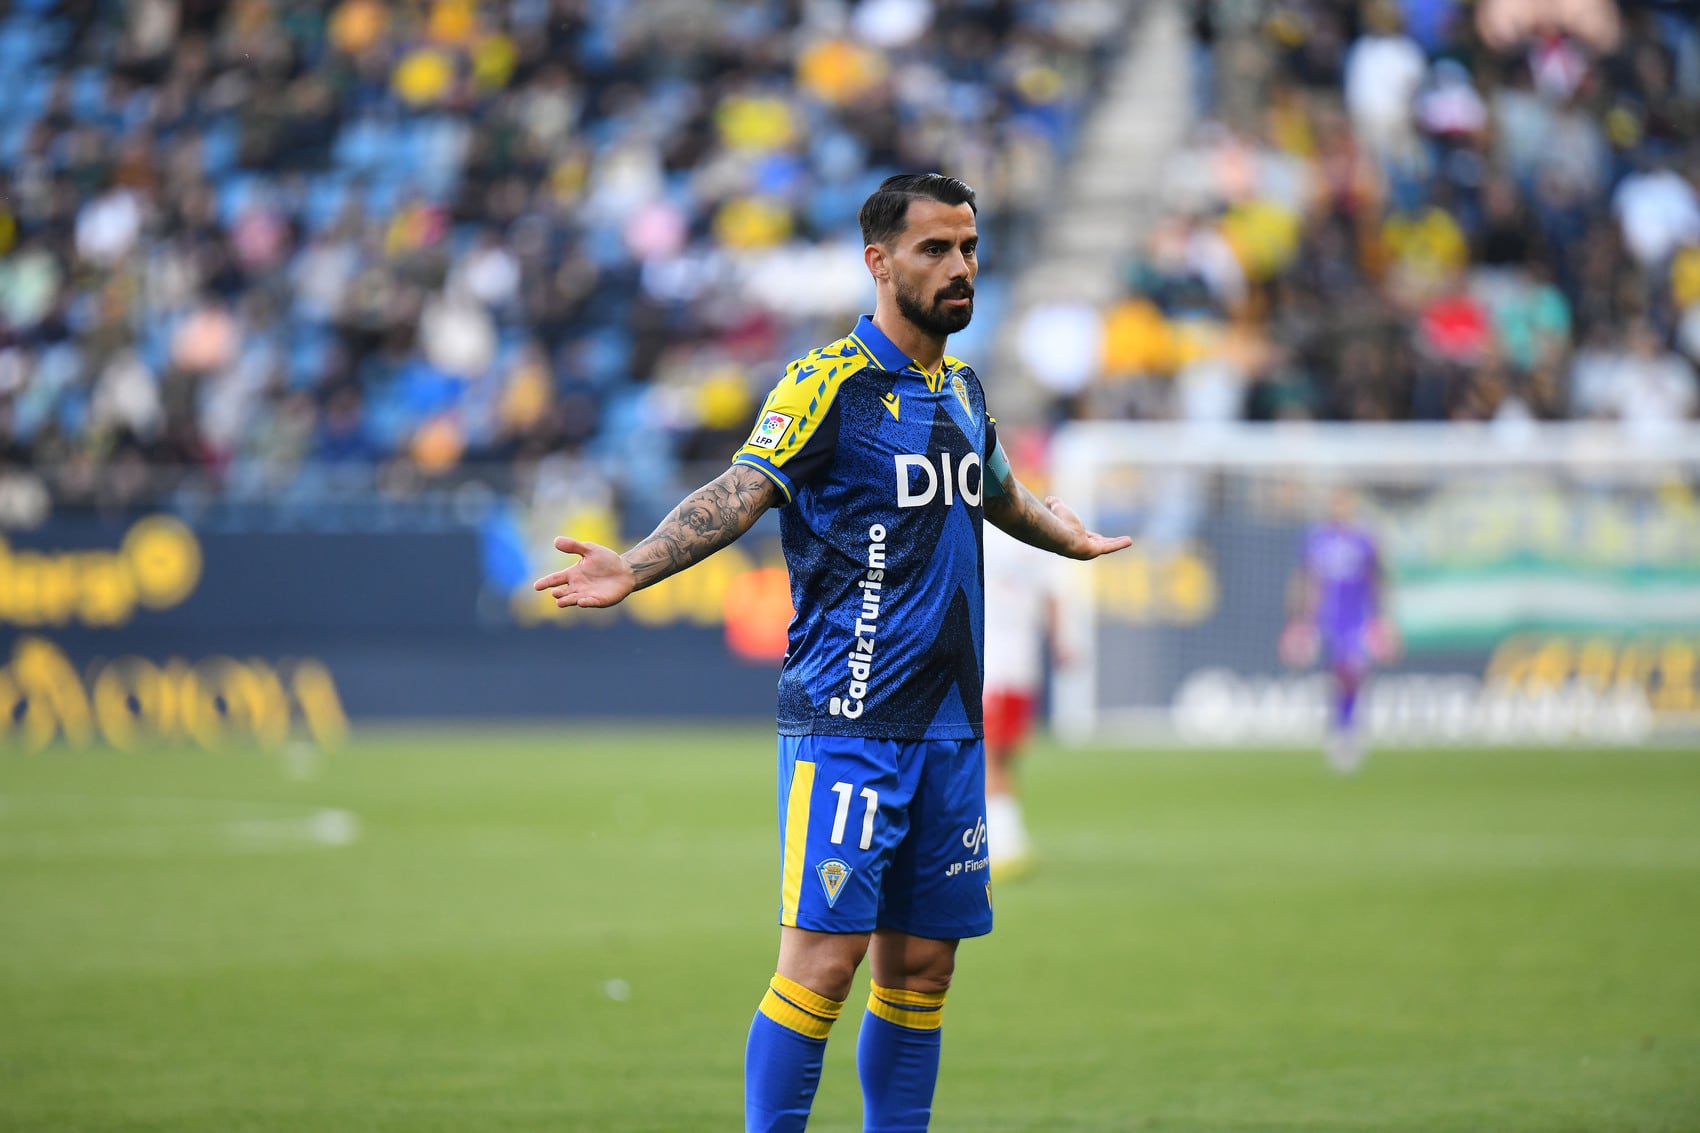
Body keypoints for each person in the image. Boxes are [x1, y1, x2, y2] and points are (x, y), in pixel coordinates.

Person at [533, 173, 1131, 1133]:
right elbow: (740, 488)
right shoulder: (828, 384)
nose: (960, 267)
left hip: (948, 728)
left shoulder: (965, 388)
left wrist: (1068, 539)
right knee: (822, 962)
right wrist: (635, 566)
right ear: (879, 262)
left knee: (925, 969)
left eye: (969, 247)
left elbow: (1000, 492)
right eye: (935, 249)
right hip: (848, 723)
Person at [1280, 487, 1399, 773]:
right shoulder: (1317, 539)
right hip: (1326, 616)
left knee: (1351, 673)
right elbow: (1305, 578)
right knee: (1337, 676)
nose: (1342, 509)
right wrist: (1299, 619)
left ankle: (1348, 731)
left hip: (1356, 616)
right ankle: (1341, 728)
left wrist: (1382, 618)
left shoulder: (1364, 540)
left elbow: (1376, 579)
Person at [981, 509, 1067, 880]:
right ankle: (1003, 841)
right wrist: (1060, 640)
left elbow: (1051, 596)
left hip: (1002, 664)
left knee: (997, 758)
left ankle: (1002, 842)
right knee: (997, 757)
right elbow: (1052, 597)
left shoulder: (979, 530)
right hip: (1009, 666)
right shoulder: (1030, 536)